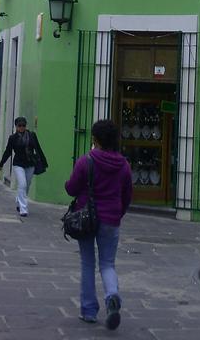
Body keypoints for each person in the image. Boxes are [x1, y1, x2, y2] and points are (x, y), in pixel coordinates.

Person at [65, 119, 132, 329]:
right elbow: (127, 195)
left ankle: (89, 310)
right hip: (111, 219)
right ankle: (112, 296)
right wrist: (117, 214)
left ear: (94, 139)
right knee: (108, 264)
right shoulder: (124, 165)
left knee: (87, 263)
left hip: (87, 218)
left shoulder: (86, 161)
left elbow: (71, 188)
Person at [0, 117, 47, 217]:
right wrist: (1, 164)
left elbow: (38, 148)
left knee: (26, 186)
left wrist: (43, 162)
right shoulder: (13, 138)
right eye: (19, 126)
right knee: (23, 184)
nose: (22, 128)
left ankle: (19, 200)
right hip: (18, 164)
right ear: (16, 126)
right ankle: (23, 209)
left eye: (23, 125)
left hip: (30, 164)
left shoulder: (32, 135)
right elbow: (8, 152)